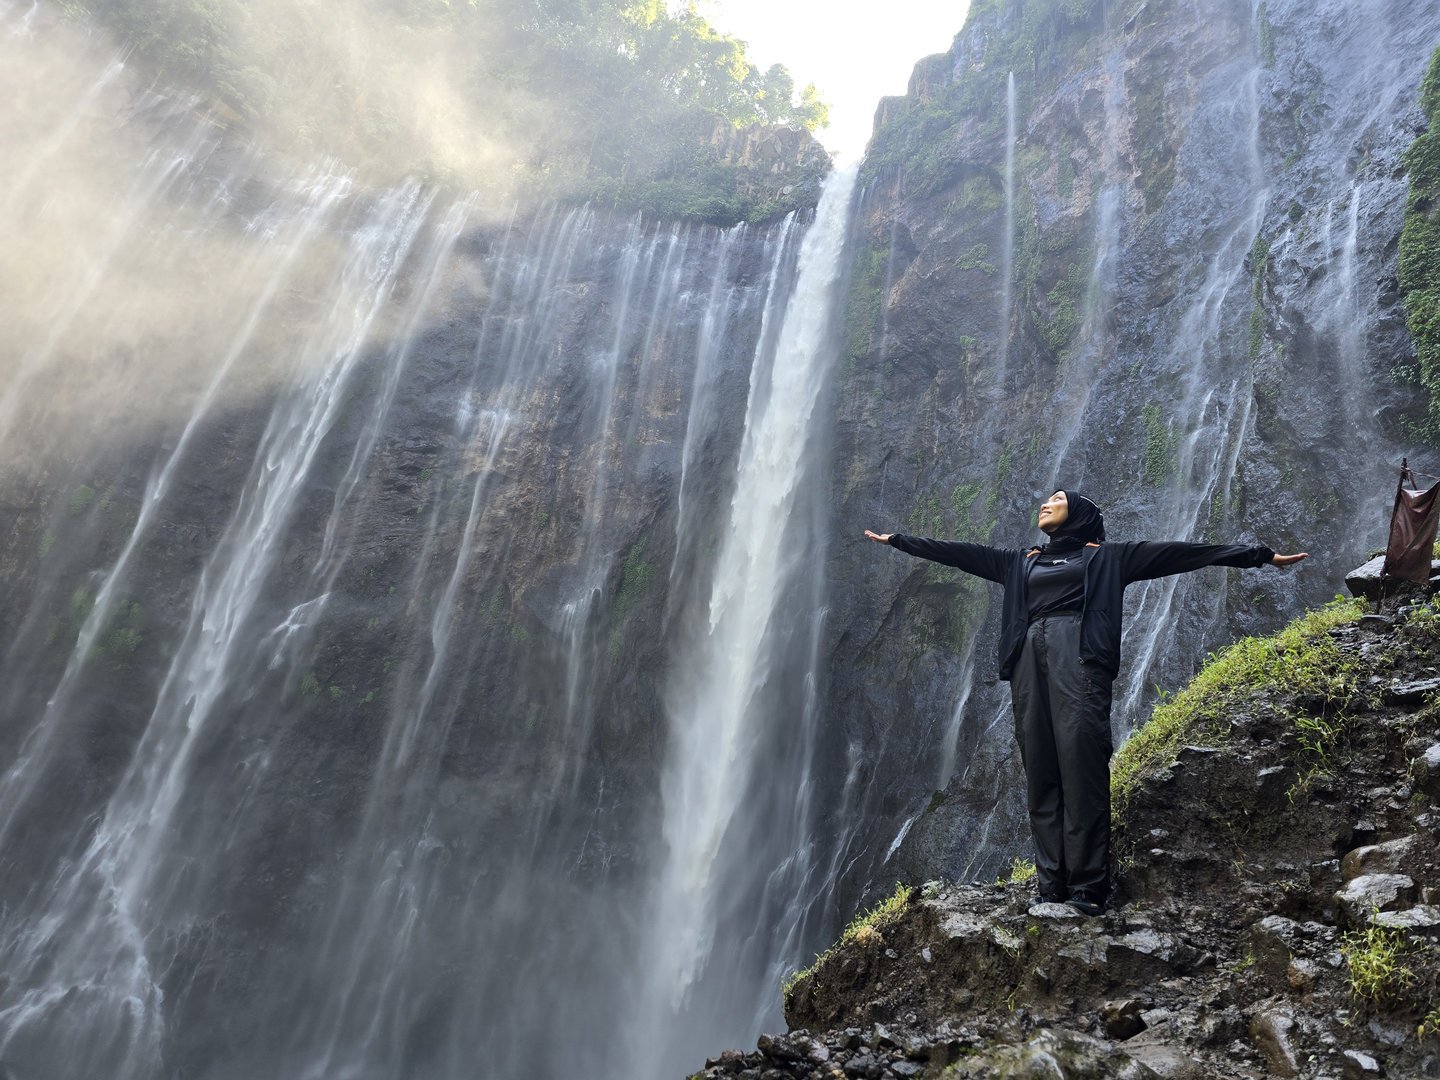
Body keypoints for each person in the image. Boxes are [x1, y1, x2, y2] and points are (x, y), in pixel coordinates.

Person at [865, 490, 1308, 916]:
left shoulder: (1110, 557)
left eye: (1058, 500)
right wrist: (899, 541)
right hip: (1027, 661)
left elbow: (1182, 553)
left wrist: (1259, 555)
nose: (1046, 504)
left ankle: (1087, 887)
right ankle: (1050, 885)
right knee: (1041, 770)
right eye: (1048, 499)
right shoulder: (1019, 561)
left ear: (1079, 513)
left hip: (1078, 656)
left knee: (1081, 765)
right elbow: (959, 553)